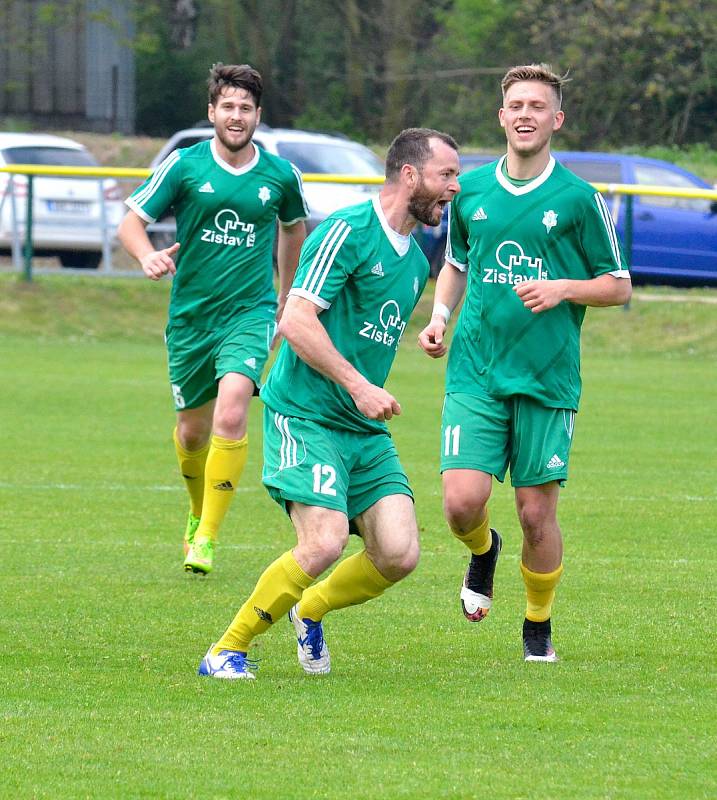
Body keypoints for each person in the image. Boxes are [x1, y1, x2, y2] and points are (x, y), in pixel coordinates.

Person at [198, 127, 460, 679]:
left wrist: (430, 335)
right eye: (446, 175)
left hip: (361, 432)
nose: (454, 188)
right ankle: (226, 650)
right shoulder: (346, 231)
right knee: (324, 541)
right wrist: (359, 386)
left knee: (398, 554)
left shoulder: (415, 261)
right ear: (409, 174)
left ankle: (309, 609)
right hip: (306, 416)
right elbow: (295, 319)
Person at [418, 64, 632, 662]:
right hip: (476, 370)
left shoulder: (579, 199)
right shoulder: (472, 191)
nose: (525, 114)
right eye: (515, 104)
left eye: (538, 105)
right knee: (461, 501)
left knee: (537, 514)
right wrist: (438, 317)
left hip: (546, 378)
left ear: (555, 119)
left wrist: (564, 288)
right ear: (501, 116)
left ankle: (537, 625)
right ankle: (483, 552)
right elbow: (457, 263)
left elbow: (618, 287)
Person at [118, 64, 308, 575]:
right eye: (228, 106)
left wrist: (289, 297)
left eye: (246, 108)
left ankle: (207, 537)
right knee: (192, 434)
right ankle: (197, 509)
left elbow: (294, 230)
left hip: (250, 313)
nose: (236, 115)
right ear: (212, 112)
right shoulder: (184, 165)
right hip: (190, 320)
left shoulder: (280, 176)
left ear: (258, 115)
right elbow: (132, 222)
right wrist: (146, 256)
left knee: (232, 413)